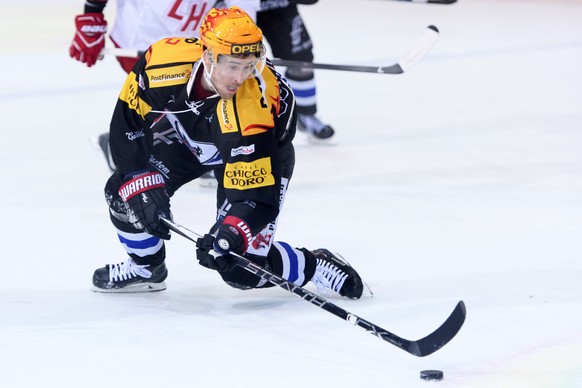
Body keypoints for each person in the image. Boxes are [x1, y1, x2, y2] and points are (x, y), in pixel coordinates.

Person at [90, 7, 366, 300]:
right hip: (188, 136)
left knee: (241, 269)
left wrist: (232, 233)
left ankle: (313, 265)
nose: (240, 77)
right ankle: (146, 268)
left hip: (257, 155)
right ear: (207, 55)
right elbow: (128, 122)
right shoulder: (162, 61)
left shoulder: (253, 108)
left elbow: (256, 197)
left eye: (249, 65)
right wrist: (138, 178)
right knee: (123, 192)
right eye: (233, 65)